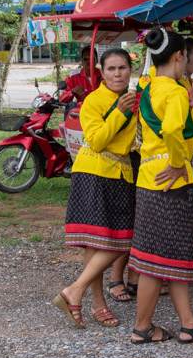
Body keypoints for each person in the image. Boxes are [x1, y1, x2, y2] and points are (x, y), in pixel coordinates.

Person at [128, 28, 193, 344]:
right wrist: (179, 161)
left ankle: (188, 324)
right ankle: (142, 327)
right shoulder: (173, 93)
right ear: (179, 56)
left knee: (170, 256)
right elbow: (172, 129)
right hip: (170, 182)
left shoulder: (152, 87)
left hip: (148, 178)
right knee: (156, 261)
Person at [53, 48, 137, 328]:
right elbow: (98, 140)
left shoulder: (132, 99)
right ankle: (94, 302)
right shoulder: (94, 101)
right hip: (93, 173)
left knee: (111, 242)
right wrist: (119, 112)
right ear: (102, 72)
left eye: (122, 68)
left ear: (130, 70)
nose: (117, 74)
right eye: (111, 69)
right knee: (105, 242)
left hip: (121, 174)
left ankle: (77, 293)